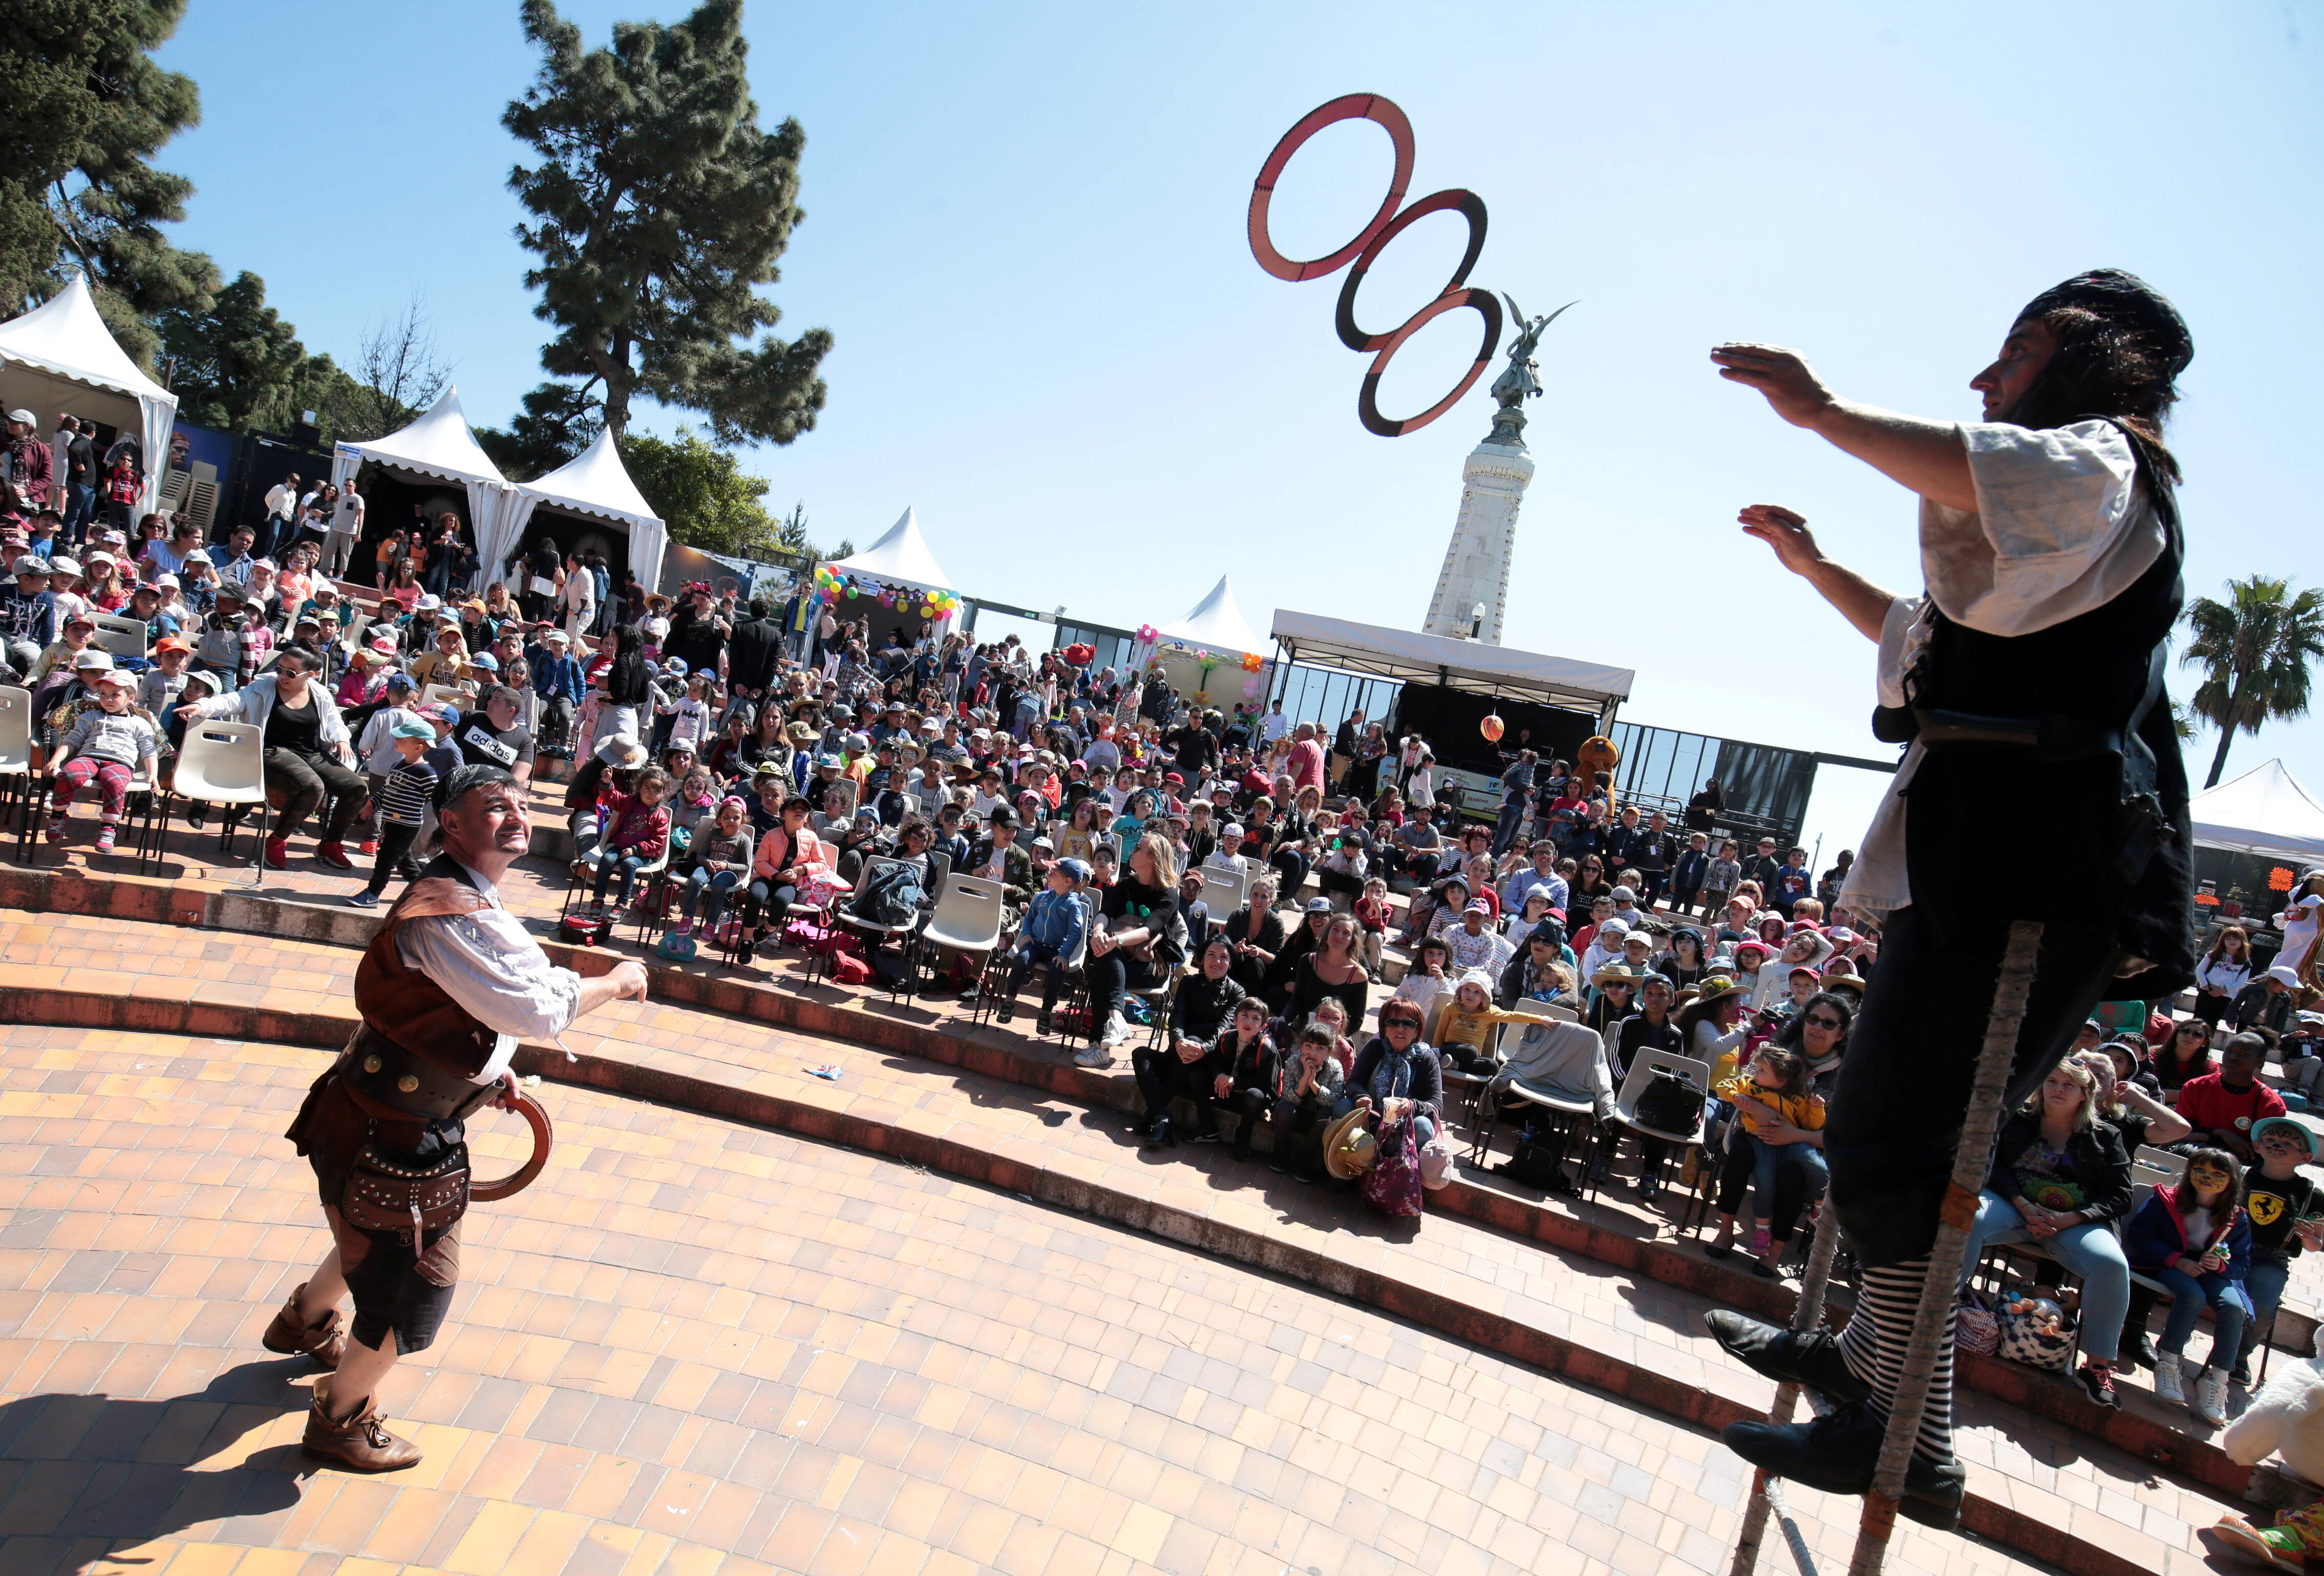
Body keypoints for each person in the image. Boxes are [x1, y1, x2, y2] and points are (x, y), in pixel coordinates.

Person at [1711, 270, 2198, 1520]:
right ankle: (1868, 1371)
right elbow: (1921, 638)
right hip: (1979, 862)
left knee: (1890, 1150)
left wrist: (1822, 412)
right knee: (1884, 1139)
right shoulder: (2059, 542)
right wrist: (1813, 565)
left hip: (2036, 876)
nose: (1984, 377)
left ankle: (1905, 1437)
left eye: (2017, 352)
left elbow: (1994, 475)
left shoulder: (2109, 469)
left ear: (2099, 366)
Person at [264, 764, 647, 1470]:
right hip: (392, 1133)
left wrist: (485, 1071)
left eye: (521, 804)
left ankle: (306, 1320)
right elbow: (533, 1009)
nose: (517, 815)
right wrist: (616, 983)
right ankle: (340, 1419)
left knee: (370, 1241)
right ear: (452, 823)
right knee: (412, 1288)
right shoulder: (448, 909)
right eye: (495, 807)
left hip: (375, 1110)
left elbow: (458, 1005)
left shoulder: (466, 897)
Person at [1953, 1058, 2135, 1408]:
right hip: (2015, 1206)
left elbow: (2120, 1195)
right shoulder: (2018, 1120)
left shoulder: (2106, 1136)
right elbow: (1993, 1164)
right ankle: (1938, 1309)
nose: (2058, 1089)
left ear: (2085, 1093)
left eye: (2069, 1084)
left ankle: (2096, 1367)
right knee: (1965, 1216)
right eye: (2052, 1081)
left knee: (2112, 1265)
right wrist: (2022, 1204)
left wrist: (2073, 1218)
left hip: (2073, 1221)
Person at [178, 649, 365, 870]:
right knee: (312, 786)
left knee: (356, 788)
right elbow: (233, 701)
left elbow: (333, 720)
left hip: (311, 753)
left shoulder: (320, 693)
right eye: (280, 669)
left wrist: (342, 739)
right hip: (271, 751)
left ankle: (330, 845)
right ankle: (276, 842)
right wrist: (202, 706)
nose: (283, 676)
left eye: (291, 673)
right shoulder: (262, 687)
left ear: (310, 675)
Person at [2126, 1146, 2252, 1426]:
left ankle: (2217, 1380)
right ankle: (2169, 1362)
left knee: (2234, 1308)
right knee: (2192, 1296)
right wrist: (2176, 1260)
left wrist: (2221, 1266)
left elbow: (2243, 1263)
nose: (2207, 1178)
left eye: (2218, 1174)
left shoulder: (2236, 1217)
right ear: (2189, 1172)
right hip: (2169, 1264)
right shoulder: (2166, 1200)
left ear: (2232, 1181)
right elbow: (2140, 1236)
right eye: (2200, 1171)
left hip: (2212, 1273)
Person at [1712, 1048, 1829, 1280]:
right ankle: (1728, 1232)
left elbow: (1819, 1129)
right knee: (1742, 1157)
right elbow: (1729, 1085)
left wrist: (1812, 1114)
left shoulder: (1805, 1094)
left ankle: (1776, 1249)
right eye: (1812, 1021)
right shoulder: (1762, 1072)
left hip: (1796, 1142)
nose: (1817, 1029)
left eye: (1828, 1026)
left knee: (1794, 1176)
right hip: (1757, 1138)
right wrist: (1751, 1105)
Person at [1076, 833, 1183, 1063]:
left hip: (1150, 966)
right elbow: (1105, 913)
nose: (1132, 852)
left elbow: (1148, 931)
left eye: (1138, 848)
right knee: (1104, 961)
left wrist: (1115, 941)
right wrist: (1098, 931)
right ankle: (1116, 1021)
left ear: (1153, 858)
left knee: (1104, 964)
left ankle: (1098, 1048)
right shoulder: (1126, 884)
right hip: (1118, 958)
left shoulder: (1169, 894)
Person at [2235, 1116, 2324, 1386]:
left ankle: (2240, 1355)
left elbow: (2316, 1245)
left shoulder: (2312, 1195)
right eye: (2271, 1139)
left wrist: (2308, 1237)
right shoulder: (2240, 1175)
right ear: (2257, 1146)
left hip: (2271, 1259)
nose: (2277, 1145)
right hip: (2228, 1249)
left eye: (2288, 1144)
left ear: (2305, 1158)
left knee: (2263, 1309)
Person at [44, 665, 156, 854]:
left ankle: (109, 826)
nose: (108, 699)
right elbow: (72, 740)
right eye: (103, 694)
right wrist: (56, 760)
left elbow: (149, 749)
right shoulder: (90, 717)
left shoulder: (140, 723)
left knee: (115, 782)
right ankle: (58, 814)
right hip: (89, 757)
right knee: (70, 774)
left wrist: (152, 773)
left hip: (120, 762)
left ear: (130, 698)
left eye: (115, 695)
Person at [347, 722, 442, 909]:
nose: (396, 740)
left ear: (418, 747)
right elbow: (387, 789)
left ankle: (373, 894)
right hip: (391, 822)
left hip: (406, 826)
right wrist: (372, 803)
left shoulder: (426, 773)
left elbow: (438, 797)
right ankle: (426, 893)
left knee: (385, 860)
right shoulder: (398, 765)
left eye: (402, 739)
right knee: (404, 862)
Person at [996, 858, 1092, 1029]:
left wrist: (1064, 954)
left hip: (1056, 950)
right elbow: (1030, 918)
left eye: (1054, 873)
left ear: (1067, 881)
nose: (1048, 875)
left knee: (1058, 971)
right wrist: (1026, 934)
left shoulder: (1073, 905)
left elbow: (1076, 932)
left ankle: (1046, 1012)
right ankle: (1009, 1002)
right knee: (1021, 959)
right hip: (1035, 945)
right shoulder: (1041, 897)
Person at [2174, 1032, 2287, 1164]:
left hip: (2238, 1164)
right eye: (2229, 1051)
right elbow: (2181, 1132)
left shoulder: (2271, 1103)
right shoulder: (2196, 1086)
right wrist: (2221, 1134)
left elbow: (2264, 1151)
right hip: (2189, 1154)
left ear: (2260, 1061)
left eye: (2243, 1054)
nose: (2233, 1056)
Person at [2194, 925, 2255, 1036]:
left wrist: (2223, 991)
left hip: (2225, 996)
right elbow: (2200, 970)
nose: (2232, 941)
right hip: (2206, 992)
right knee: (2198, 1019)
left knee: (2212, 1022)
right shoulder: (2213, 955)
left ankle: (2206, 1043)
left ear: (2243, 942)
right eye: (2228, 939)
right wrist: (2206, 986)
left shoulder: (2245, 963)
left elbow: (2240, 982)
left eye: (2236, 939)